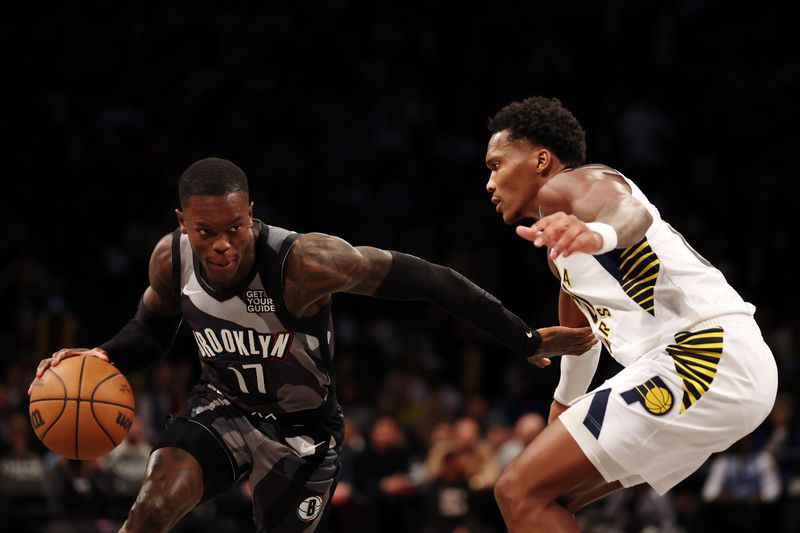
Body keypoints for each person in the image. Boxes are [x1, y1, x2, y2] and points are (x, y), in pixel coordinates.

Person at [28, 157, 596, 532]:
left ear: (251, 213)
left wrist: (522, 337)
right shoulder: (169, 258)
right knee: (149, 510)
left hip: (303, 429)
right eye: (206, 232)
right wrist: (103, 355)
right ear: (183, 223)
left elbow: (430, 279)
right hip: (222, 409)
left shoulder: (305, 262)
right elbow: (151, 333)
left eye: (235, 227)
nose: (223, 244)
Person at [483, 95, 778, 531]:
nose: (489, 183)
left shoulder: (573, 185)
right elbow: (581, 338)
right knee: (543, 498)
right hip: (718, 370)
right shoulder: (561, 252)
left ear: (541, 160)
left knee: (517, 489)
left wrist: (598, 233)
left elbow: (630, 213)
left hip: (703, 354)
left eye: (496, 165)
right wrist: (562, 407)